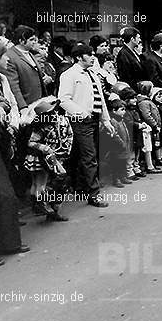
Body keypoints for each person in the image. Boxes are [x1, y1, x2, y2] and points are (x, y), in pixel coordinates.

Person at [58, 43, 114, 208]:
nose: (92, 57)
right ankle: (93, 194)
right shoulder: (69, 75)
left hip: (94, 120)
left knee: (85, 156)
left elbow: (100, 99)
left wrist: (106, 120)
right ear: (78, 57)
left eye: (92, 54)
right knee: (89, 157)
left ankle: (80, 188)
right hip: (79, 121)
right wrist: (81, 113)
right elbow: (63, 99)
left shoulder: (93, 74)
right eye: (88, 55)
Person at [0, 40, 28, 266]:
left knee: (5, 192)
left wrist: (9, 120)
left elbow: (7, 102)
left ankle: (8, 243)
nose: (7, 60)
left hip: (0, 139)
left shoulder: (0, 79)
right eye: (4, 56)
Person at [21, 96, 72, 221]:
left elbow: (70, 134)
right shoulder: (41, 127)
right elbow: (31, 142)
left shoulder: (64, 120)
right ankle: (47, 208)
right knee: (44, 183)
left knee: (56, 182)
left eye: (53, 111)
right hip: (46, 159)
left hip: (60, 156)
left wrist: (67, 149)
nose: (53, 114)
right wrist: (44, 148)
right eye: (49, 113)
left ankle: (48, 208)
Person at [3, 25, 48, 111]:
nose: (35, 42)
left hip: (39, 103)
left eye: (35, 39)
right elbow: (13, 86)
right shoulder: (10, 57)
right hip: (27, 105)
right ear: (21, 41)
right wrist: (23, 107)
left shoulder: (29, 53)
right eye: (31, 40)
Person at [136, 81, 162, 173]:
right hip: (148, 128)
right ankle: (149, 166)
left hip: (151, 128)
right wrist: (155, 125)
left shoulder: (147, 101)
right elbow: (147, 116)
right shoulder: (144, 102)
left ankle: (152, 163)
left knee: (152, 146)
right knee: (148, 147)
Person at [104, 99, 133, 188]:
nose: (124, 112)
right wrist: (121, 143)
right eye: (122, 109)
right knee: (116, 163)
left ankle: (123, 177)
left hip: (124, 145)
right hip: (117, 147)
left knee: (123, 162)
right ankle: (116, 179)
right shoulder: (113, 121)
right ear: (114, 110)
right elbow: (115, 134)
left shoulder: (121, 120)